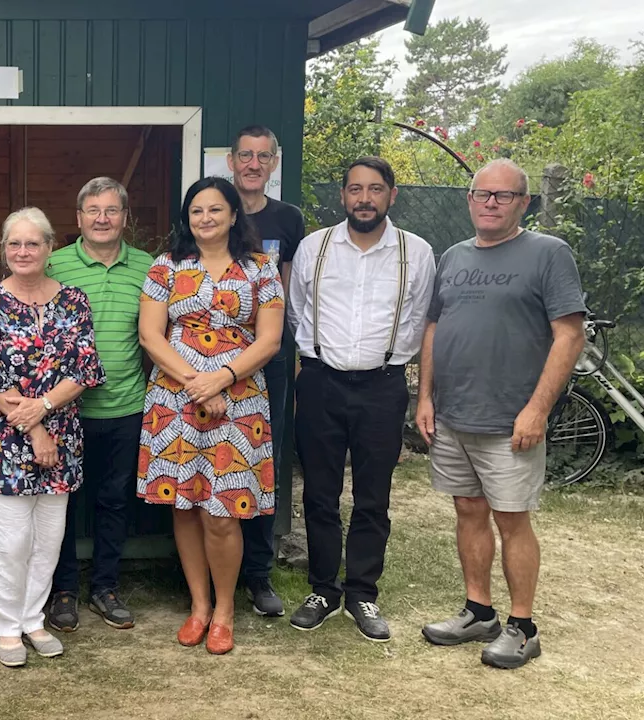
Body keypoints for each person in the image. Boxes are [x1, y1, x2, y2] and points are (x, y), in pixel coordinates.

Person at [417, 159, 585, 669]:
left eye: (503, 196)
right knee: (468, 512)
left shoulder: (548, 254)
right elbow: (433, 328)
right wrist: (425, 397)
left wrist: (537, 409)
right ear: (469, 198)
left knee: (513, 520)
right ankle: (478, 611)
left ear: (523, 203)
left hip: (511, 421)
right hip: (452, 415)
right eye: (482, 193)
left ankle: (522, 625)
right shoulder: (453, 256)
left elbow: (569, 334)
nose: (490, 202)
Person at [286, 156, 435, 642]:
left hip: (382, 384)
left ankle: (362, 593)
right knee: (320, 492)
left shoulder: (417, 252)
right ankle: (323, 589)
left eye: (374, 189)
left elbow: (419, 319)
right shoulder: (316, 246)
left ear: (392, 195)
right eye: (355, 189)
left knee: (374, 494)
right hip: (320, 382)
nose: (364, 199)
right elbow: (298, 313)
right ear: (343, 195)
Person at [138, 176, 284, 655]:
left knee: (223, 511)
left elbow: (270, 340)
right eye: (197, 211)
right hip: (175, 399)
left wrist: (219, 379)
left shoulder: (262, 269)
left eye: (215, 210)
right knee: (185, 504)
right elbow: (151, 336)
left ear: (234, 215)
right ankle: (198, 607)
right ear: (188, 218)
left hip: (238, 404)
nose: (205, 219)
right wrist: (194, 384)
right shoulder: (165, 268)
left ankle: (224, 611)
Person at [0, 207, 105, 667]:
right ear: (4, 250)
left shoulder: (75, 301)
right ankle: (6, 627)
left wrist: (45, 408)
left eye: (32, 243)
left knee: (48, 540)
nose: (23, 251)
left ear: (49, 248)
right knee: (10, 543)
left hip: (61, 440)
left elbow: (85, 369)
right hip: (3, 442)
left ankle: (32, 619)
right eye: (14, 244)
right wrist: (37, 428)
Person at [45, 177, 152, 632]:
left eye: (111, 211)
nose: (102, 219)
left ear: (125, 218)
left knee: (113, 502)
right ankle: (64, 589)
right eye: (93, 211)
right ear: (79, 219)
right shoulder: (54, 264)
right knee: (61, 505)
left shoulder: (148, 267)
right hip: (64, 411)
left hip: (126, 405)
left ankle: (105, 587)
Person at [226, 125, 307, 617]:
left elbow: (289, 291)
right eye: (246, 156)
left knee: (259, 463)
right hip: (210, 361)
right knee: (207, 458)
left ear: (273, 163)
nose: (254, 164)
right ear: (231, 162)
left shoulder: (288, 219)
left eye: (263, 156)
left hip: (268, 361)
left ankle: (258, 573)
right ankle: (206, 569)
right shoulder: (215, 208)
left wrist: (288, 351)